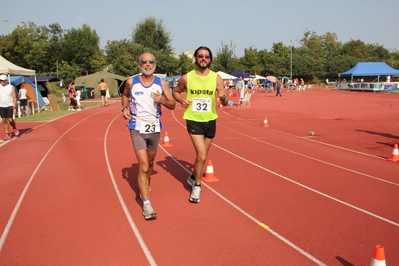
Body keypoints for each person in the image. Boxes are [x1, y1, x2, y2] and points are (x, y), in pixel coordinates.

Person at [121, 53, 176, 220]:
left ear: (155, 64)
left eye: (150, 61)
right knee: (144, 166)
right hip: (136, 127)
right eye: (144, 62)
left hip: (154, 128)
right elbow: (124, 95)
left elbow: (173, 104)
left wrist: (163, 101)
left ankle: (145, 185)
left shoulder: (162, 83)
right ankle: (146, 203)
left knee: (150, 163)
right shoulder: (132, 82)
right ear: (139, 65)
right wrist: (124, 108)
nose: (147, 64)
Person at [173, 46, 228, 203]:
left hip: (210, 119)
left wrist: (223, 97)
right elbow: (176, 92)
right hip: (194, 118)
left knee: (202, 157)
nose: (204, 59)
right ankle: (197, 186)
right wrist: (182, 100)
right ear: (195, 58)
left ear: (210, 59)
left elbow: (224, 101)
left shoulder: (216, 78)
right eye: (200, 56)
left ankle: (192, 177)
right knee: (202, 154)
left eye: (207, 56)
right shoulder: (187, 77)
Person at [0, 75, 20, 141]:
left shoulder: (11, 87)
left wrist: (14, 107)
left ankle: (14, 128)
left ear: (6, 80)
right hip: (1, 106)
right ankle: (7, 134)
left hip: (9, 105)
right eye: (0, 80)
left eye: (2, 80)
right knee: (3, 120)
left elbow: (14, 98)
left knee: (10, 119)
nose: (1, 82)